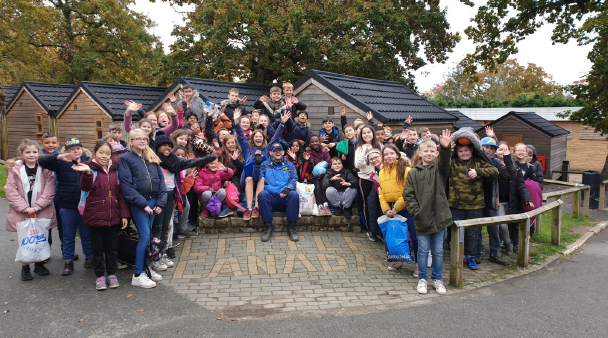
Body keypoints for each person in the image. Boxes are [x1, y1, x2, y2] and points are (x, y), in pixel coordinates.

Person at [72, 141, 130, 290]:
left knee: (112, 248)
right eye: (101, 153)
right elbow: (86, 187)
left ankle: (111, 274)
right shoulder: (90, 168)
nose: (104, 156)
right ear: (95, 152)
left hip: (113, 215)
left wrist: (124, 215)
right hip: (95, 215)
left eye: (107, 153)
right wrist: (87, 173)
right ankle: (99, 276)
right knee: (98, 249)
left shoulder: (116, 170)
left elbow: (121, 194)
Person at [153, 135, 215, 268]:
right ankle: (154, 257)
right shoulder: (154, 161)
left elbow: (191, 163)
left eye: (170, 146)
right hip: (158, 196)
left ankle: (162, 254)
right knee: (157, 227)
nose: (167, 148)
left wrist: (211, 157)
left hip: (171, 196)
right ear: (157, 147)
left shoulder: (174, 161)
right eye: (164, 146)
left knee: (166, 227)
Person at [402, 131, 453, 295]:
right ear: (420, 153)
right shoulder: (413, 173)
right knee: (423, 251)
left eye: (432, 151)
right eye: (426, 151)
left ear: (436, 153)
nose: (429, 153)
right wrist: (417, 211)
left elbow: (446, 162)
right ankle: (422, 279)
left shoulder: (440, 169)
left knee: (438, 251)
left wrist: (446, 148)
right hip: (422, 219)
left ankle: (437, 279)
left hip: (440, 218)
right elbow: (408, 195)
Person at [119, 129, 167, 289]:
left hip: (154, 202)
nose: (142, 141)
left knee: (149, 235)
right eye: (137, 138)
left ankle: (146, 268)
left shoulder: (151, 156)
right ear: (131, 141)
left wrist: (160, 203)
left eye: (144, 138)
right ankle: (138, 274)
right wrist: (143, 205)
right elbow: (126, 186)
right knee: (145, 236)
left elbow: (161, 182)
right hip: (140, 204)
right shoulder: (126, 158)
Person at [39, 137, 93, 276]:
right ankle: (68, 261)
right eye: (71, 149)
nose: (75, 151)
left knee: (86, 234)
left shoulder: (89, 162)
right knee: (68, 235)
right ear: (66, 151)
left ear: (82, 149)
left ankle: (89, 257)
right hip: (67, 205)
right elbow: (42, 160)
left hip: (85, 206)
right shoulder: (61, 164)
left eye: (78, 148)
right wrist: (58, 157)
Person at [5, 139, 57, 281]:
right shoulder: (15, 170)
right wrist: (25, 208)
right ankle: (25, 266)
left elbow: (49, 189)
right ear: (22, 153)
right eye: (28, 152)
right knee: (25, 238)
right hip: (22, 211)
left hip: (41, 209)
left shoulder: (46, 169)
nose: (31, 155)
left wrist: (37, 206)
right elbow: (11, 191)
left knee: (42, 237)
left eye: (35, 152)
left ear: (39, 153)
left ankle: (40, 264)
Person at [449, 129, 499, 270]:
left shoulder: (478, 162)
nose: (463, 153)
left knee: (473, 234)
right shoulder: (452, 163)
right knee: (456, 233)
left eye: (466, 150)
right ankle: (457, 256)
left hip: (475, 206)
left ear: (472, 150)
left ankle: (471, 256)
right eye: (460, 151)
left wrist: (479, 172)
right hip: (456, 206)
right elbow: (440, 166)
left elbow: (495, 171)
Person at [234, 109, 288, 220]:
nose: (258, 138)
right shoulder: (248, 148)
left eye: (260, 137)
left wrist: (282, 123)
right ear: (252, 138)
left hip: (261, 178)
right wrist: (236, 121)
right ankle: (248, 209)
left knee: (262, 179)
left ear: (263, 139)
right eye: (256, 136)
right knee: (249, 179)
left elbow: (276, 136)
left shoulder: (267, 149)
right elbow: (240, 134)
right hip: (249, 178)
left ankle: (257, 208)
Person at [378, 144, 418, 276]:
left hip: (406, 207)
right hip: (390, 208)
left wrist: (396, 208)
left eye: (391, 153)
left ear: (397, 154)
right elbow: (381, 193)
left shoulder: (406, 170)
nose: (389, 156)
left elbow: (408, 191)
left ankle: (418, 264)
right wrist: (386, 210)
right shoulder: (382, 171)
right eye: (386, 154)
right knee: (393, 237)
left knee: (414, 236)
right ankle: (398, 260)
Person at [253, 143, 300, 242]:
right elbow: (257, 178)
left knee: (294, 194)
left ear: (283, 152)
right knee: (262, 195)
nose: (278, 152)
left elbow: (294, 179)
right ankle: (268, 227)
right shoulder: (265, 165)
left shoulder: (290, 165)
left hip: (285, 198)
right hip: (271, 198)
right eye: (275, 150)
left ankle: (292, 227)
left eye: (280, 150)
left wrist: (288, 188)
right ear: (271, 153)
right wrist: (257, 165)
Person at [495, 142, 532, 255]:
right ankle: (507, 244)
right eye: (500, 150)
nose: (502, 152)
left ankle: (511, 244)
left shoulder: (515, 168)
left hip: (512, 201)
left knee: (511, 224)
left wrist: (527, 198)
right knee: (502, 224)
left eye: (505, 150)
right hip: (499, 201)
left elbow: (521, 184)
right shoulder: (494, 165)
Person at [480, 136, 511, 266]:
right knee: (475, 229)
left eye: (491, 148)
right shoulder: (474, 161)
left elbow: (509, 175)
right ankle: (477, 253)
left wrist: (508, 158)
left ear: (494, 151)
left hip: (492, 201)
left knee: (494, 229)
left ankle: (495, 253)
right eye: (485, 147)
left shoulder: (496, 163)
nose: (488, 150)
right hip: (476, 201)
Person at [355, 125, 384, 236]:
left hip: (379, 178)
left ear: (373, 133)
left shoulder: (380, 146)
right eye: (364, 133)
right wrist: (364, 153)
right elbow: (357, 165)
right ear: (361, 135)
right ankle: (370, 229)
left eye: (369, 132)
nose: (367, 134)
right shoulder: (360, 148)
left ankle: (381, 229)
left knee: (380, 203)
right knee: (368, 203)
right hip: (365, 179)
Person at [306, 135, 332, 216]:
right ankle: (319, 205)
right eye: (312, 142)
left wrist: (323, 172)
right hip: (313, 176)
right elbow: (308, 169)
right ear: (309, 144)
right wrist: (310, 161)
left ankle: (325, 204)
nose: (315, 143)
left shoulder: (325, 151)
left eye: (316, 141)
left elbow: (329, 164)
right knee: (316, 185)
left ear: (319, 142)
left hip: (324, 174)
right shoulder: (308, 153)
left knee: (323, 183)